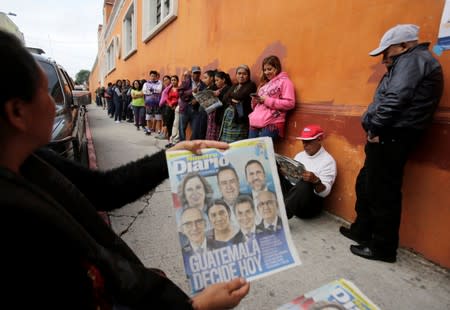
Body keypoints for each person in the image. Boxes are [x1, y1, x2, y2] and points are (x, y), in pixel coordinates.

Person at [0, 30, 249, 309]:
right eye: (47, 92)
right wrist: (195, 307)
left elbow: (105, 189)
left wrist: (170, 156)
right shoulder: (17, 221)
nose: (55, 103)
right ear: (17, 113)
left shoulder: (33, 161)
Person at [339, 24, 443, 263]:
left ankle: (383, 248)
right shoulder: (409, 60)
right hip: (387, 133)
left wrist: (375, 128)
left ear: (404, 45)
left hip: (391, 134)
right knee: (367, 183)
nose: (385, 57)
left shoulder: (412, 60)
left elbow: (395, 98)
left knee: (383, 192)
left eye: (388, 51)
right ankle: (362, 230)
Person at [279, 125, 337, 219]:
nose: (305, 145)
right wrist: (285, 174)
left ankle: (283, 214)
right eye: (303, 141)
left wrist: (316, 181)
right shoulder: (300, 155)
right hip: (294, 197)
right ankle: (277, 204)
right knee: (277, 170)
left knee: (305, 183)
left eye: (308, 141)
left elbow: (325, 193)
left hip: (309, 207)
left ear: (319, 139)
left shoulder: (328, 161)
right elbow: (292, 180)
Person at [248, 55, 295, 140]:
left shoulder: (285, 82)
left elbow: (290, 103)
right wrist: (255, 101)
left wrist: (267, 100)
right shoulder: (263, 85)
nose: (266, 72)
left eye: (269, 69)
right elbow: (255, 107)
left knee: (262, 151)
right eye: (264, 70)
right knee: (252, 151)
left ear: (277, 68)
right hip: (255, 122)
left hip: (272, 123)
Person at [220, 64, 257, 143]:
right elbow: (225, 98)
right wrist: (232, 100)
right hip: (229, 118)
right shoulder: (235, 85)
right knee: (226, 141)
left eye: (244, 74)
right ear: (236, 75)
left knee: (237, 141)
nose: (241, 76)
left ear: (248, 75)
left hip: (240, 118)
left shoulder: (251, 85)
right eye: (239, 73)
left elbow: (240, 96)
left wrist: (231, 96)